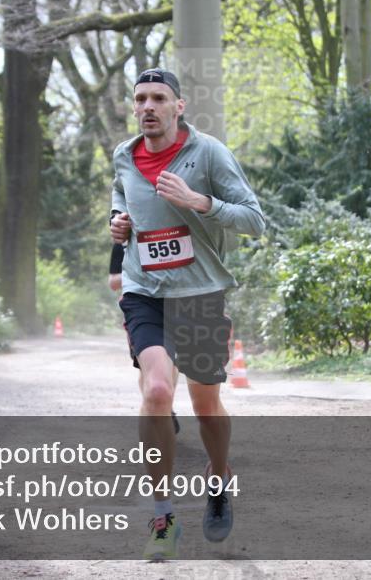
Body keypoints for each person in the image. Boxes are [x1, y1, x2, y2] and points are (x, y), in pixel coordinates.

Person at [110, 68, 265, 560]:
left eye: (159, 98)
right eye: (140, 99)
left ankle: (218, 478)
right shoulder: (123, 155)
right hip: (144, 291)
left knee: (205, 406)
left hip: (200, 292)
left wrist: (200, 201)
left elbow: (254, 221)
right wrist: (117, 224)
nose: (148, 106)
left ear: (179, 107)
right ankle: (162, 514)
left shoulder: (209, 153)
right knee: (157, 391)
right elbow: (121, 198)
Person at [109, 242, 180, 436]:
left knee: (172, 363)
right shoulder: (121, 244)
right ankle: (152, 403)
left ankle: (166, 406)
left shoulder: (169, 234)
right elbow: (113, 282)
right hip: (139, 308)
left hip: (175, 302)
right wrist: (139, 271)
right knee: (146, 367)